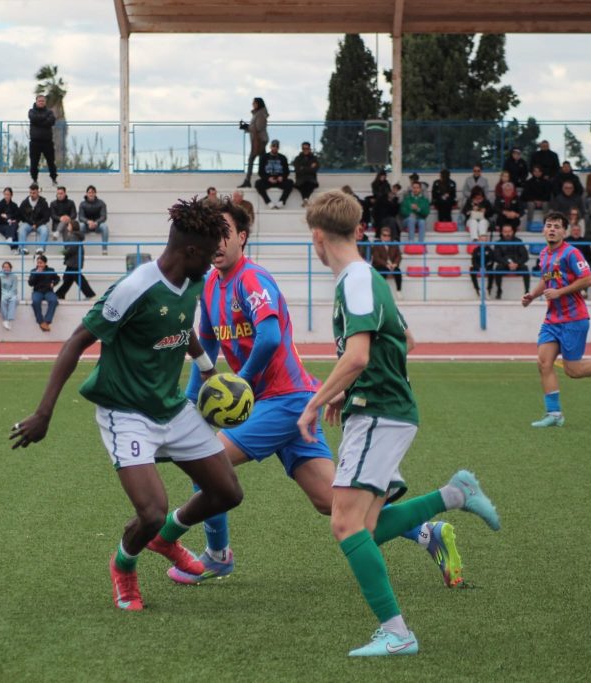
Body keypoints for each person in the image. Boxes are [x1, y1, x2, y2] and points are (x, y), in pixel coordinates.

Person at [169, 200, 459, 589]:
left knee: (206, 461)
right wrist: (193, 402)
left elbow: (270, 337)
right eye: (211, 235)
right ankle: (427, 533)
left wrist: (242, 383)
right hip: (285, 402)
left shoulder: (251, 280)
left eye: (225, 233)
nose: (217, 242)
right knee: (331, 502)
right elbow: (205, 345)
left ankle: (217, 556)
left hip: (286, 399)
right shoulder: (209, 285)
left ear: (242, 237)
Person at [10, 197, 244, 613]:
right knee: (151, 511)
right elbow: (76, 342)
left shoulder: (192, 280)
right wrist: (44, 412)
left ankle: (164, 540)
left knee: (227, 492)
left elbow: (180, 324)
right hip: (126, 413)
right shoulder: (135, 288)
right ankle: (124, 566)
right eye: (208, 254)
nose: (212, 263)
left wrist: (208, 369)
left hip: (172, 407)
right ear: (190, 251)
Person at [296, 189, 502, 657]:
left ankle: (398, 633)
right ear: (357, 229)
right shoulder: (366, 278)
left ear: (318, 236)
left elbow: (358, 355)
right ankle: (454, 494)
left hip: (380, 412)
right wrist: (348, 389)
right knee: (363, 529)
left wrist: (316, 402)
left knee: (345, 525)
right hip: (381, 409)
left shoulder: (355, 280)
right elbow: (404, 339)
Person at [522, 212, 591, 428]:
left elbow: (588, 279)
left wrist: (560, 292)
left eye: (557, 226)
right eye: (549, 225)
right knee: (543, 363)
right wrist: (532, 295)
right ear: (543, 230)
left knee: (573, 370)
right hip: (552, 319)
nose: (552, 229)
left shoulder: (572, 253)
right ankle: (554, 414)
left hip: (574, 319)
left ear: (564, 232)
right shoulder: (544, 254)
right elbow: (547, 279)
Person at [56, 219, 96, 300]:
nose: (68, 226)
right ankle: (60, 294)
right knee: (68, 278)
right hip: (75, 261)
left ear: (72, 226)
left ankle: (89, 294)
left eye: (69, 225)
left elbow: (72, 248)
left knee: (77, 278)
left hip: (73, 261)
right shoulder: (76, 235)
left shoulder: (73, 236)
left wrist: (64, 252)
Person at [490, 224, 530, 299]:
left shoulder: (519, 241)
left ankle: (527, 292)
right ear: (502, 232)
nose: (507, 233)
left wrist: (517, 263)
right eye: (505, 232)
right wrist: (508, 264)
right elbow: (497, 257)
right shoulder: (498, 243)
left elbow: (525, 256)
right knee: (497, 269)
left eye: (509, 231)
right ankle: (499, 290)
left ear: (512, 231)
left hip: (517, 264)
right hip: (504, 265)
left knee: (525, 269)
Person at [255, 140, 294, 209]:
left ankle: (281, 201)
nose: (275, 148)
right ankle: (268, 202)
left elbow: (287, 171)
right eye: (273, 146)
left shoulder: (283, 158)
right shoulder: (264, 157)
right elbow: (260, 172)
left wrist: (282, 177)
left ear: (278, 148)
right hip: (268, 180)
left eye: (277, 146)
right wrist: (268, 178)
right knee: (258, 183)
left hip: (279, 180)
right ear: (270, 147)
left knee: (290, 182)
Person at [239, 97, 268, 188]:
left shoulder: (260, 114)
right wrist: (247, 127)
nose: (253, 104)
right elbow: (255, 127)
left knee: (252, 159)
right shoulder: (258, 113)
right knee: (263, 159)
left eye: (254, 103)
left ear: (258, 104)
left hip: (259, 140)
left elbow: (258, 127)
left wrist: (247, 127)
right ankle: (264, 178)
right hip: (258, 140)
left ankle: (248, 180)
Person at [28, 94, 57, 185]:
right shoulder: (31, 111)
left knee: (51, 162)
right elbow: (34, 119)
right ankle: (34, 180)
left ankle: (54, 179)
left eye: (43, 101)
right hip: (35, 142)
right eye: (39, 101)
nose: (41, 102)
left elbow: (52, 121)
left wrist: (39, 121)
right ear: (36, 102)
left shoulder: (50, 112)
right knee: (34, 163)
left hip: (47, 142)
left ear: (45, 102)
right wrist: (45, 119)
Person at [29, 254, 60, 331]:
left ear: (45, 263)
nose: (39, 265)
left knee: (54, 301)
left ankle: (47, 321)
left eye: (41, 263)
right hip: (37, 291)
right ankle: (41, 321)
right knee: (35, 302)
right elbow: (30, 283)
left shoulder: (51, 270)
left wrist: (53, 283)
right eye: (38, 263)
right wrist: (36, 274)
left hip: (48, 291)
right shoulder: (33, 271)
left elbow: (57, 278)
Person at [17, 183, 50, 256]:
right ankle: (22, 248)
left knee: (45, 230)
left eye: (34, 193)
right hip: (28, 223)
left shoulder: (43, 202)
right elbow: (22, 215)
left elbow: (46, 217)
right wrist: (31, 223)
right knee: (22, 229)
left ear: (38, 192)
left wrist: (37, 224)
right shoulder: (25, 202)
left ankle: (41, 249)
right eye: (30, 192)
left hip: (40, 224)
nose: (32, 194)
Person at [372, 225, 403, 297]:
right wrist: (386, 264)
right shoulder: (376, 244)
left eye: (388, 235)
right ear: (381, 236)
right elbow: (376, 258)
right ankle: (382, 292)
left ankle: (399, 290)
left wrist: (395, 264)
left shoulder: (394, 244)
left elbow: (399, 256)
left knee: (398, 271)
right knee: (383, 271)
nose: (386, 237)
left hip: (391, 265)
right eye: (384, 235)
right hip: (380, 265)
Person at [78, 185, 110, 254]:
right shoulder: (82, 204)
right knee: (80, 226)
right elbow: (80, 217)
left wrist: (96, 222)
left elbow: (103, 216)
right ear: (86, 193)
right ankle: (80, 249)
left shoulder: (101, 203)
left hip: (97, 225)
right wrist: (88, 222)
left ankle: (104, 250)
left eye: (92, 192)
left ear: (95, 193)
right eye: (89, 192)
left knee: (105, 227)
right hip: (86, 225)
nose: (91, 194)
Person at [292, 141, 319, 207]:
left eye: (307, 148)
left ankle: (305, 199)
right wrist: (309, 167)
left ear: (309, 149)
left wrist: (303, 168)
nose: (305, 150)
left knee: (310, 185)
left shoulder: (314, 158)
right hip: (300, 180)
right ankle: (306, 199)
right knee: (302, 185)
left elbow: (315, 169)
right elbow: (297, 169)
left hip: (311, 180)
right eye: (304, 148)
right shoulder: (298, 158)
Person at [0, 261, 18, 330]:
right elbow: (0, 288)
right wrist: (5, 295)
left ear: (10, 268)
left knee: (14, 300)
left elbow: (14, 287)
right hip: (3, 293)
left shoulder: (14, 276)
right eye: (4, 267)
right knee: (2, 300)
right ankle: (5, 319)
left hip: (12, 293)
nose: (6, 268)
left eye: (7, 267)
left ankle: (10, 319)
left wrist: (9, 295)